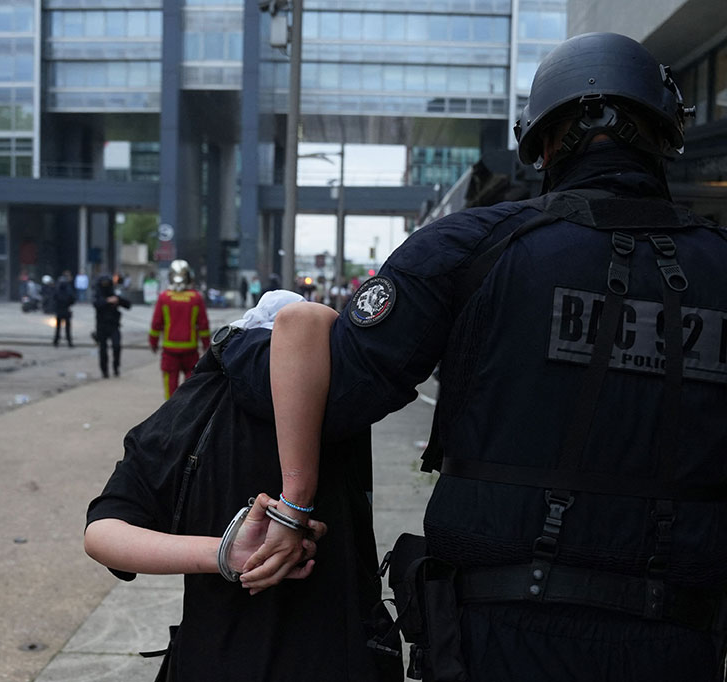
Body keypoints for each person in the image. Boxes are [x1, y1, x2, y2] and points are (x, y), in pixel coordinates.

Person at [226, 33, 727, 681]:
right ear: (663, 135)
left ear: (543, 143)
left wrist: (238, 344)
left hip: (494, 640)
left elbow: (338, 390)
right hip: (681, 643)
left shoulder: (472, 247)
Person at [85, 291, 399, 681]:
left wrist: (225, 553)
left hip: (214, 655)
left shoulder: (185, 413)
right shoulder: (336, 402)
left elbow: (102, 533)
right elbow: (305, 321)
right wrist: (293, 506)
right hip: (334, 655)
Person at [149, 259, 211, 399]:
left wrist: (153, 343)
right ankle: (188, 411)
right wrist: (206, 345)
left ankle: (171, 411)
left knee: (170, 389)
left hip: (169, 351)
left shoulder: (164, 297)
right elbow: (203, 325)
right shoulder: (196, 298)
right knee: (191, 388)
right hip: (190, 350)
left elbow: (156, 324)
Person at [93, 274, 130, 378]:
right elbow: (96, 304)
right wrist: (107, 301)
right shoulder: (98, 295)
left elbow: (128, 304)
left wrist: (118, 300)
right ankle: (104, 371)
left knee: (117, 346)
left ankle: (116, 367)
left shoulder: (114, 293)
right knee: (103, 350)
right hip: (102, 326)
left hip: (114, 326)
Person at [53, 272, 75, 347]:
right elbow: (72, 299)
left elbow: (54, 298)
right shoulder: (68, 290)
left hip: (60, 310)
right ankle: (69, 342)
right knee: (67, 328)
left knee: (58, 327)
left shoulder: (58, 289)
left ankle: (56, 341)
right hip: (66, 309)